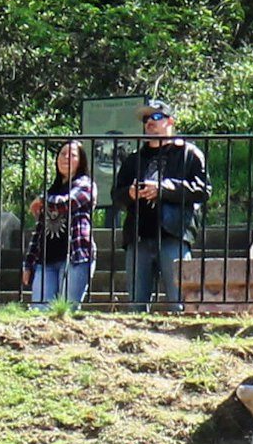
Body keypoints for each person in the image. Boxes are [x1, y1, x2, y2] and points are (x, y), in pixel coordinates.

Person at [113, 99, 210, 314]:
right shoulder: (134, 159)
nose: (150, 123)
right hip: (139, 234)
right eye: (147, 119)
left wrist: (163, 189)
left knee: (179, 302)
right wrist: (130, 193)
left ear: (170, 121)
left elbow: (202, 190)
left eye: (156, 117)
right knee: (136, 304)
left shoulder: (188, 154)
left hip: (173, 234)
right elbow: (116, 196)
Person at [23, 137, 97, 310]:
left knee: (66, 312)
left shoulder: (86, 185)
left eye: (72, 155)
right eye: (62, 154)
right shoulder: (51, 191)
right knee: (39, 312)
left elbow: (67, 203)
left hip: (75, 258)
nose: (66, 158)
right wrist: (29, 262)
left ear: (81, 161)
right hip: (46, 260)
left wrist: (43, 200)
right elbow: (39, 231)